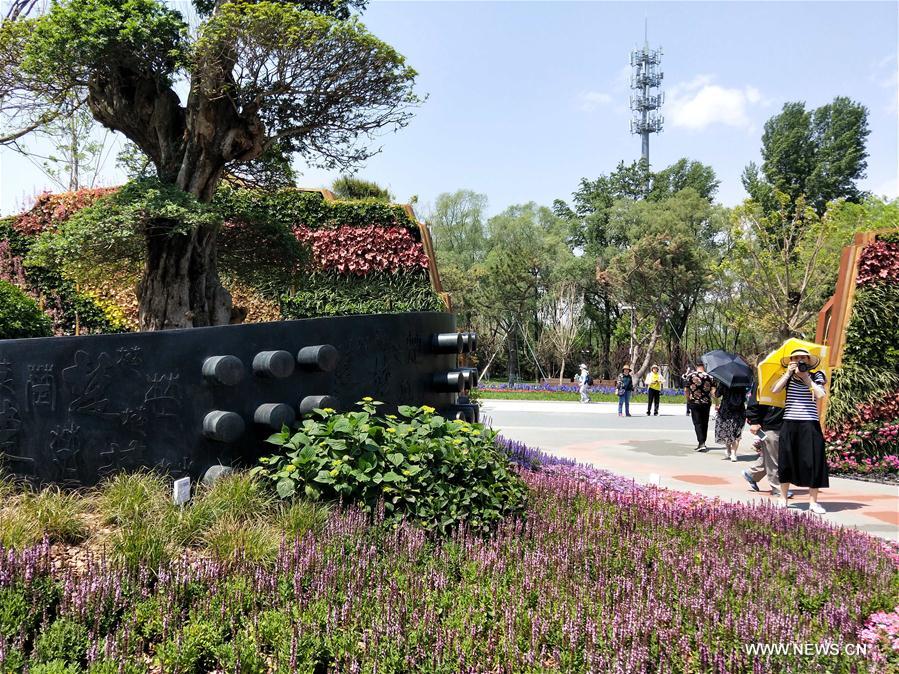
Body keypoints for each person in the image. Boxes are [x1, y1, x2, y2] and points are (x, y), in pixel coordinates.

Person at [770, 348, 828, 513]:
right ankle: (783, 498)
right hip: (790, 422)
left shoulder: (817, 375)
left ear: (809, 360)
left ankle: (813, 502)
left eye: (803, 357)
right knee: (786, 459)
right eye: (796, 358)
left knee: (813, 461)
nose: (800, 360)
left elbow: (820, 394)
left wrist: (807, 379)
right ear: (791, 360)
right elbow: (775, 390)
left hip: (810, 423)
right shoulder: (787, 376)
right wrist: (788, 374)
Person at [742, 383, 793, 499]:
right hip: (770, 423)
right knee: (775, 457)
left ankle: (752, 474)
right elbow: (754, 400)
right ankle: (777, 488)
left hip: (787, 422)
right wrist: (754, 421)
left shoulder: (793, 376)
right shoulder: (764, 376)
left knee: (772, 454)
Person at [713, 382, 747, 462]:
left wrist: (716, 388)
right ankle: (733, 453)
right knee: (737, 432)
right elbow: (744, 397)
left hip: (726, 410)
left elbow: (717, 395)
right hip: (739, 410)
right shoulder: (741, 383)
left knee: (727, 431)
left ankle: (728, 449)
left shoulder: (724, 382)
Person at [685, 362, 714, 451]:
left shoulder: (690, 376)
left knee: (697, 423)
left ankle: (701, 443)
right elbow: (713, 391)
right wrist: (717, 403)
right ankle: (703, 442)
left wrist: (688, 399)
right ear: (704, 366)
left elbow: (686, 389)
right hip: (706, 402)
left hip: (695, 401)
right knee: (705, 422)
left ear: (696, 366)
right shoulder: (710, 377)